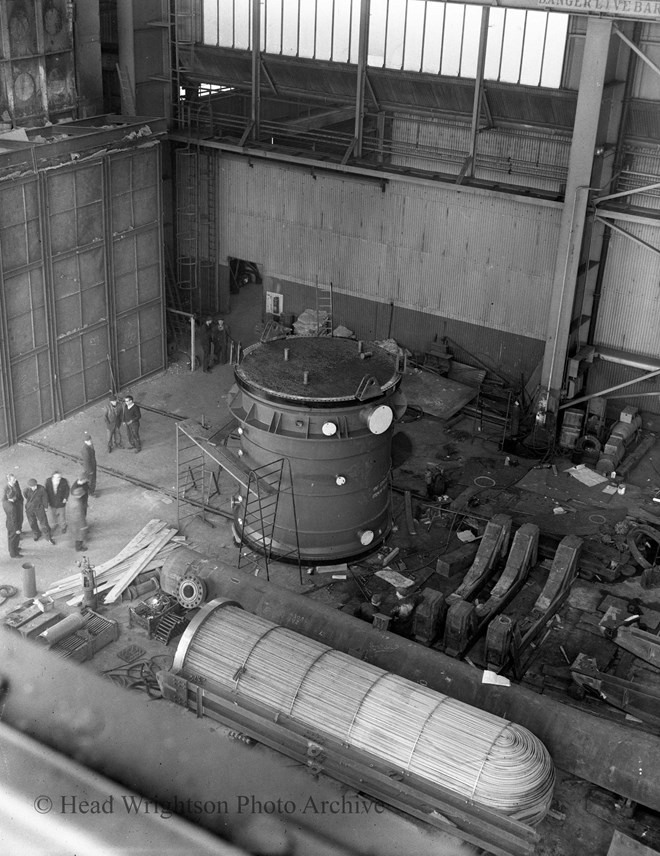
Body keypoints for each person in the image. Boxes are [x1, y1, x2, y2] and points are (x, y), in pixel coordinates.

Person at [23, 479, 55, 544]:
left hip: (39, 508)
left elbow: (45, 498)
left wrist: (45, 507)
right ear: (29, 486)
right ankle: (36, 534)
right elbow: (26, 496)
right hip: (30, 509)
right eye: (32, 486)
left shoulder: (41, 489)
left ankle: (48, 537)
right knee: (32, 522)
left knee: (44, 523)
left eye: (35, 485)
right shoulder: (26, 490)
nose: (34, 487)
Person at [68, 480, 89, 552]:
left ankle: (77, 545)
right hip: (78, 524)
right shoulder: (78, 504)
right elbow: (80, 517)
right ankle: (79, 548)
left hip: (73, 523)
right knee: (79, 537)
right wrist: (84, 526)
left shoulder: (72, 500)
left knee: (76, 535)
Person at [3, 487, 21, 558]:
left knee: (10, 538)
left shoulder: (5, 502)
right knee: (14, 539)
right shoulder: (12, 507)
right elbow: (14, 519)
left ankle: (13, 549)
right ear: (14, 497)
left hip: (8, 523)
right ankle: (14, 554)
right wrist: (17, 529)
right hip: (13, 525)